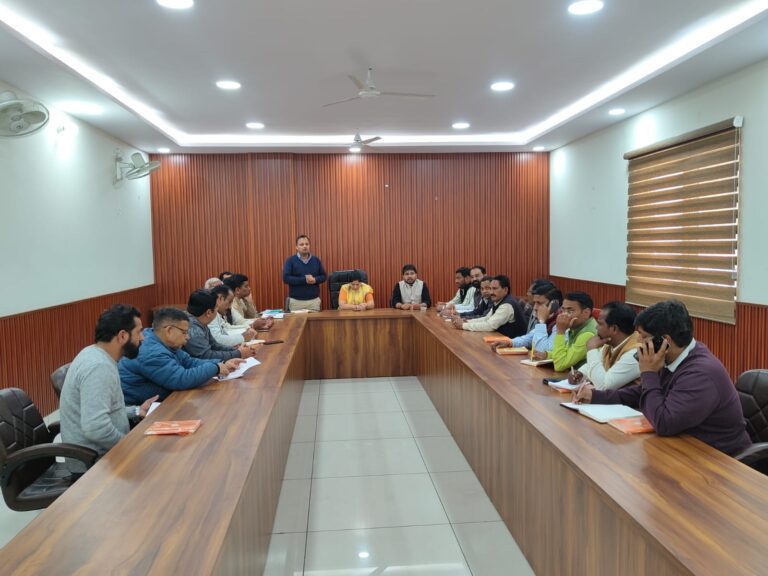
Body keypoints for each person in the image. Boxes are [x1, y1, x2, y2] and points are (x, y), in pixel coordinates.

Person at [573, 300, 751, 456]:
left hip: (720, 460)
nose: (638, 343)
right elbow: (642, 393)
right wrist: (596, 396)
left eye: (643, 337)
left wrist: (648, 372)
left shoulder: (700, 373)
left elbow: (664, 423)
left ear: (664, 340)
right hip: (685, 447)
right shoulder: (674, 357)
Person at [60, 305, 158, 472]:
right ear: (122, 336)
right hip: (94, 463)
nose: (142, 338)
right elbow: (95, 428)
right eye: (139, 332)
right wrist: (129, 445)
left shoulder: (95, 353)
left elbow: (103, 410)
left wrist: (136, 411)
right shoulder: (99, 367)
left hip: (104, 453)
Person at [119, 307, 243, 405]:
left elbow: (189, 361)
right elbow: (181, 379)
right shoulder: (151, 352)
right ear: (169, 331)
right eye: (184, 332)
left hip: (164, 401)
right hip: (141, 413)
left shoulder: (162, 340)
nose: (187, 337)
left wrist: (222, 363)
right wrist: (215, 368)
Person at [571, 301, 640, 390]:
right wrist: (580, 373)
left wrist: (591, 349)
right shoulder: (609, 344)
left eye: (600, 324)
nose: (596, 327)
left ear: (614, 329)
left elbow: (603, 386)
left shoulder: (635, 353)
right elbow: (594, 366)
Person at [183, 289, 260, 361]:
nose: (218, 310)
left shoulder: (200, 322)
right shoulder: (192, 328)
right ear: (209, 313)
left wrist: (237, 350)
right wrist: (238, 353)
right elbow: (207, 356)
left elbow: (214, 345)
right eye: (216, 307)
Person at [491, 283, 562, 353]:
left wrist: (541, 322)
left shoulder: (560, 324)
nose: (535, 308)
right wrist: (510, 342)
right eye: (534, 303)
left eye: (539, 303)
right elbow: (529, 338)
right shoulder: (547, 320)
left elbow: (542, 350)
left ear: (554, 305)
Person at [538, 291, 597, 372]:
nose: (564, 315)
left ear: (586, 313)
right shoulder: (577, 327)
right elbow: (567, 352)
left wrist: (560, 332)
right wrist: (547, 355)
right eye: (563, 310)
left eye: (570, 311)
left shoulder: (588, 334)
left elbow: (560, 365)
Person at [451, 275, 527, 338]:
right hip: (502, 341)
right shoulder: (499, 301)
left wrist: (463, 325)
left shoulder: (507, 305)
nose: (491, 292)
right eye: (490, 288)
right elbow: (486, 318)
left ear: (505, 290)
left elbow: (490, 325)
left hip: (514, 347)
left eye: (495, 289)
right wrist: (466, 321)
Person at [283, 234, 327, 312]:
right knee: (296, 321)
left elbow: (324, 276)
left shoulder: (316, 260)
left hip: (313, 301)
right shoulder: (290, 261)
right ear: (296, 247)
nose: (305, 246)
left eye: (307, 244)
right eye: (301, 244)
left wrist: (315, 279)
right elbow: (286, 278)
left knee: (315, 320)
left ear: (309, 246)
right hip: (296, 302)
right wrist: (304, 279)